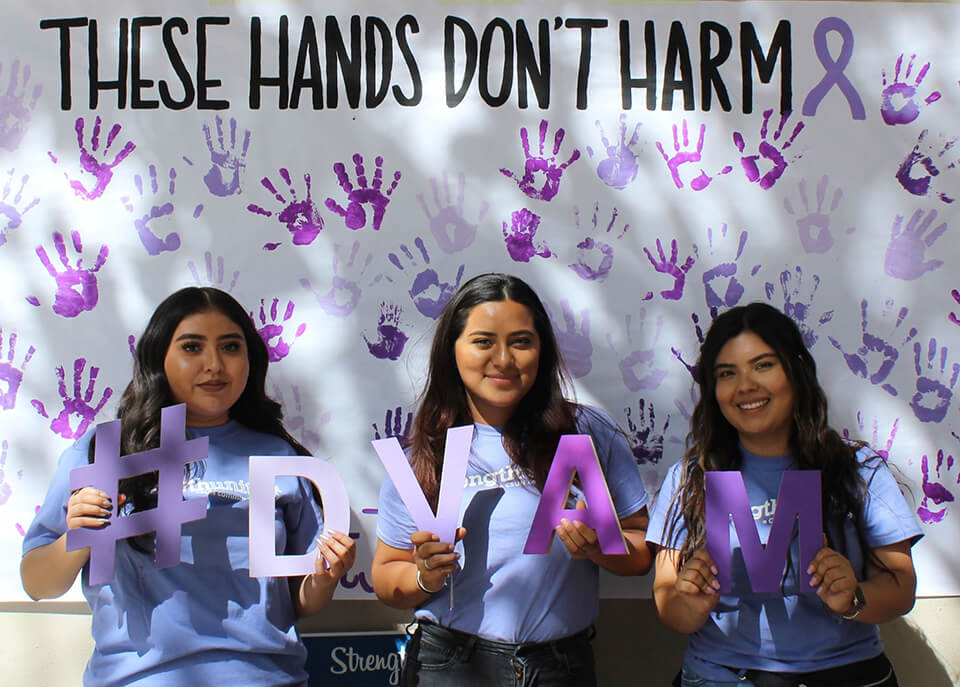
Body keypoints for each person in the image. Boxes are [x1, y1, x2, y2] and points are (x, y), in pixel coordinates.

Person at [21, 286, 355, 686]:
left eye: (231, 347)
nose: (214, 364)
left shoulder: (280, 456)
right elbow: (37, 583)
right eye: (192, 347)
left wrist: (325, 577)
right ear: (158, 359)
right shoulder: (103, 451)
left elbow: (299, 602)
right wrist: (76, 538)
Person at [371, 272, 652, 686]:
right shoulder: (425, 454)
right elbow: (386, 575)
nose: (503, 359)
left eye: (521, 342)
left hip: (561, 666)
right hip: (448, 664)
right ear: (453, 351)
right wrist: (422, 577)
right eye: (483, 341)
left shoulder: (586, 433)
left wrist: (600, 545)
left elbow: (641, 551)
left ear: (542, 352)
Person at [647, 302, 921, 687]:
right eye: (727, 373)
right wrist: (689, 604)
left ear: (796, 369)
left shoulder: (859, 469)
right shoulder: (690, 477)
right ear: (713, 389)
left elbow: (901, 588)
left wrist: (853, 596)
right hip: (721, 676)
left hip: (847, 675)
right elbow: (666, 598)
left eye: (763, 365)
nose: (745, 386)